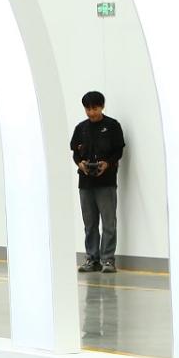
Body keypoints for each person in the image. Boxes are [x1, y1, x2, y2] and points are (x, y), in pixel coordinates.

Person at [70, 90, 125, 273]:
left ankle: (107, 259)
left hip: (106, 182)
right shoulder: (81, 128)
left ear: (102, 106)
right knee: (90, 223)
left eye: (95, 108)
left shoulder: (112, 126)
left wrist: (106, 163)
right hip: (85, 183)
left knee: (109, 222)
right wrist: (81, 163)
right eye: (88, 109)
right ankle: (91, 258)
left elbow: (119, 151)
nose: (91, 112)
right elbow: (75, 152)